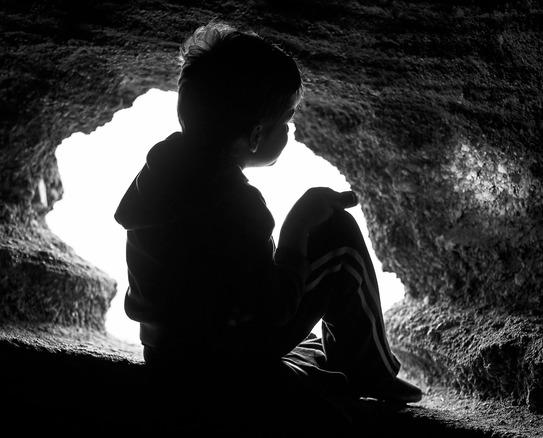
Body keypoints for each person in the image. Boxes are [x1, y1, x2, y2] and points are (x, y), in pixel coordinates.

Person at [114, 20, 421, 421]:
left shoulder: (159, 170)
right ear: (256, 136)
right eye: (288, 121)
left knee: (311, 346)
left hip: (166, 351)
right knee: (339, 239)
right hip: (222, 358)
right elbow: (275, 307)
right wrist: (297, 227)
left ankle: (325, 363)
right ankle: (373, 373)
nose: (292, 130)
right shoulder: (238, 204)